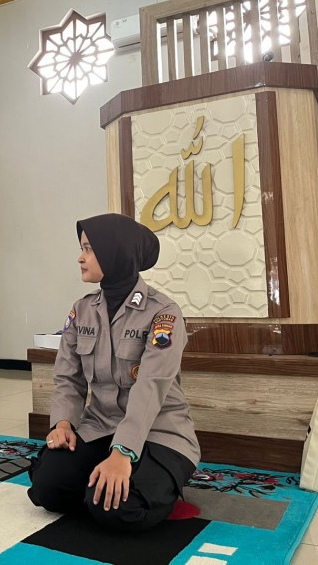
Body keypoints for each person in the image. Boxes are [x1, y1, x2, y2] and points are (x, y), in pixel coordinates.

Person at [28, 213, 200, 531]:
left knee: (116, 508)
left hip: (159, 433)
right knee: (48, 488)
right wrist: (63, 423)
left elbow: (150, 385)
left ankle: (156, 484)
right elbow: (68, 378)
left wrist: (123, 452)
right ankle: (101, 478)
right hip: (100, 427)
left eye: (89, 249)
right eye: (82, 249)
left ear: (114, 252)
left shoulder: (163, 313)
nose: (81, 258)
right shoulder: (82, 310)